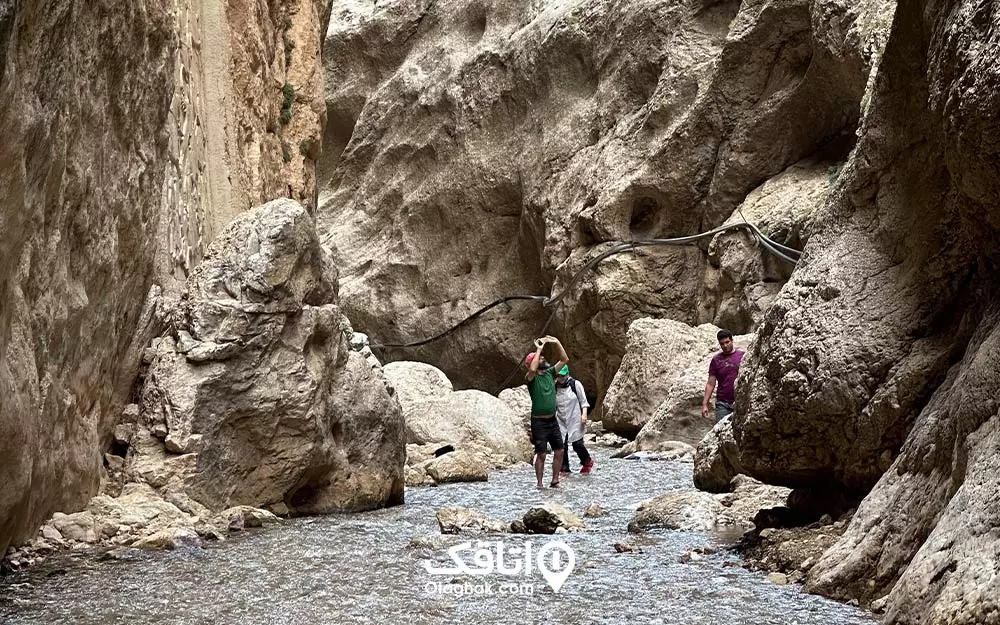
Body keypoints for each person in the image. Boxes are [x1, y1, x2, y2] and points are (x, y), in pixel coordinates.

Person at [525, 335, 569, 488]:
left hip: (552, 420)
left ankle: (555, 479)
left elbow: (564, 360)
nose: (543, 359)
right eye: (540, 359)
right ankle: (539, 483)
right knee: (542, 453)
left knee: (559, 450)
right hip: (539, 421)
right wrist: (538, 349)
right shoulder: (531, 378)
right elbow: (532, 368)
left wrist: (557, 342)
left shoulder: (550, 373)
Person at [555, 365, 595, 475]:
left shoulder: (575, 384)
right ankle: (564, 468)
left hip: (575, 418)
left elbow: (584, 401)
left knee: (577, 444)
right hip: (561, 420)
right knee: (562, 446)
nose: (560, 378)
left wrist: (584, 415)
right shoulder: (554, 386)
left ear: (567, 374)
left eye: (562, 376)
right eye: (558, 376)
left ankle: (587, 461)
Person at [701, 329, 745, 422]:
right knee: (720, 432)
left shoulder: (742, 356)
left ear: (732, 340)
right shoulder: (716, 360)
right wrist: (705, 404)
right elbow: (710, 383)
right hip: (722, 403)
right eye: (722, 344)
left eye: (727, 342)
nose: (725, 346)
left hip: (739, 401)